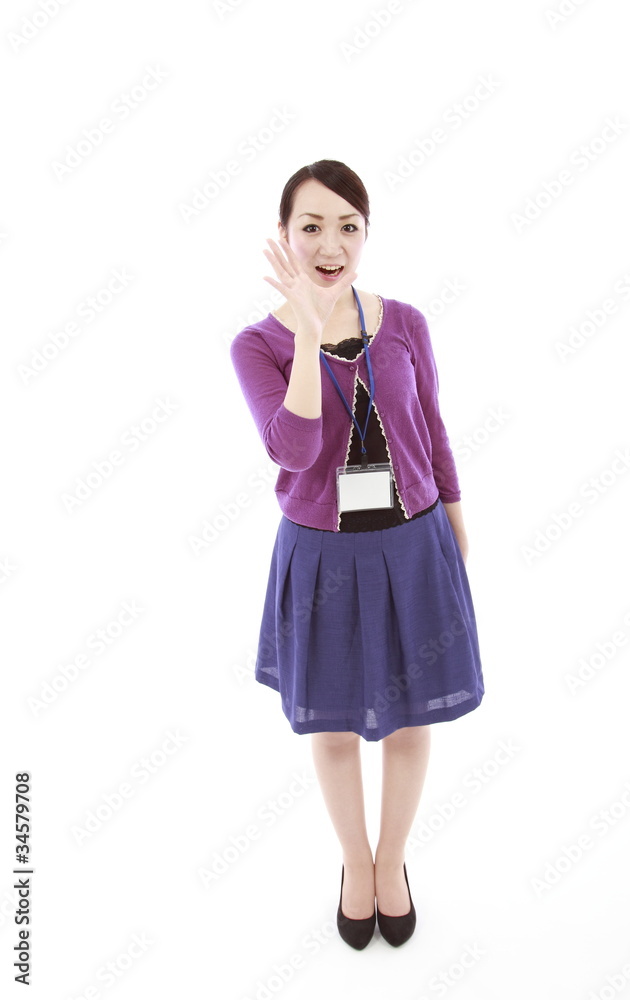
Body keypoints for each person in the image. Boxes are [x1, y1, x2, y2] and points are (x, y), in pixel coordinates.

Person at [230, 159, 485, 949]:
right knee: (334, 725)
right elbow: (295, 449)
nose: (330, 244)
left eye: (348, 226)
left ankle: (391, 861)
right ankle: (353, 864)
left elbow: (433, 429)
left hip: (413, 542)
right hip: (322, 559)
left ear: (366, 233)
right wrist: (308, 334)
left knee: (411, 718)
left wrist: (454, 522)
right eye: (310, 227)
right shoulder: (257, 345)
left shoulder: (404, 322)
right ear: (284, 236)